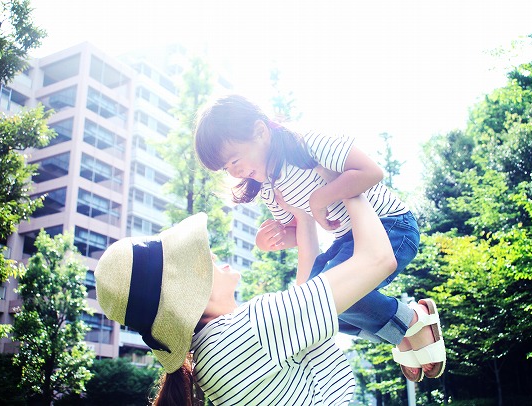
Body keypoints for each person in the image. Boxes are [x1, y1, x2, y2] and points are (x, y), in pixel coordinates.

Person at [95, 193, 442, 405]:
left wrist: (304, 217)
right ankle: (411, 320)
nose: (213, 256)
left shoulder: (214, 349)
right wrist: (348, 185)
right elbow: (378, 259)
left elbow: (305, 289)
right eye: (203, 259)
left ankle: (404, 326)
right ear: (189, 290)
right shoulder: (249, 330)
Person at [194, 94, 445, 381]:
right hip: (348, 241)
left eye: (235, 160)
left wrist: (319, 199)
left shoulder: (308, 143)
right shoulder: (269, 188)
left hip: (392, 227)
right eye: (227, 168)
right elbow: (299, 231)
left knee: (330, 294)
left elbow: (371, 171)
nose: (235, 172)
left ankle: (410, 322)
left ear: (260, 132)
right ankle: (401, 328)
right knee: (314, 308)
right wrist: (273, 240)